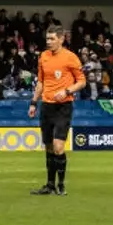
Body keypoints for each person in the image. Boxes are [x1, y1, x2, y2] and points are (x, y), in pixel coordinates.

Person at [29, 24, 84, 196]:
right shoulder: (43, 57)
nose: (49, 42)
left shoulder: (71, 58)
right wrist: (33, 103)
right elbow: (40, 82)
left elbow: (82, 82)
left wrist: (67, 91)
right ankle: (49, 185)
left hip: (63, 107)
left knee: (59, 147)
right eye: (47, 38)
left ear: (61, 39)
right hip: (46, 106)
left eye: (52, 38)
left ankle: (61, 185)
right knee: (49, 147)